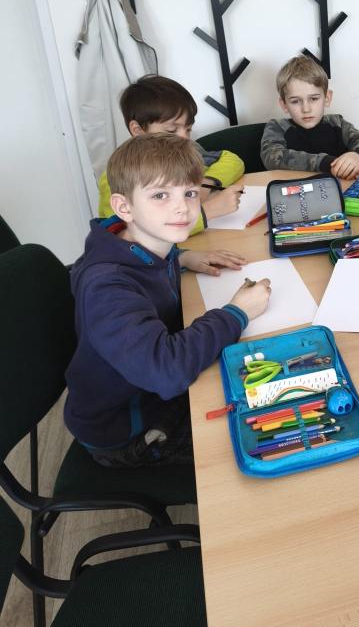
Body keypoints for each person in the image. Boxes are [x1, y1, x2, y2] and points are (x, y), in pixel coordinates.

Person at [65, 133, 272, 467]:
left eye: (189, 192)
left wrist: (182, 257)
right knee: (260, 439)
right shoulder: (107, 288)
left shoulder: (141, 242)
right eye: (160, 195)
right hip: (128, 430)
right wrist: (237, 313)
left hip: (148, 389)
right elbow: (166, 370)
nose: (182, 207)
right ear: (124, 207)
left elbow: (147, 263)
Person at [98, 74, 245, 231]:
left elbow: (232, 160)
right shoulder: (118, 175)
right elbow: (129, 232)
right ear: (138, 130)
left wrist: (207, 183)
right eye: (171, 130)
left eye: (188, 129)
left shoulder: (185, 151)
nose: (184, 138)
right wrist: (207, 212)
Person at [260, 54, 359, 177]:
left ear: (327, 98)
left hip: (340, 186)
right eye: (295, 101)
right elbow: (272, 157)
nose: (306, 109)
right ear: (284, 105)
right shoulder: (277, 127)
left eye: (314, 99)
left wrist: (358, 156)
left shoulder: (337, 123)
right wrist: (326, 163)